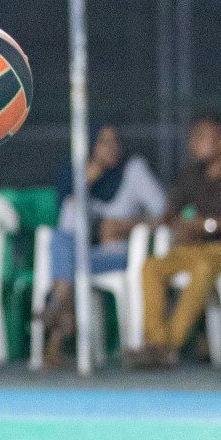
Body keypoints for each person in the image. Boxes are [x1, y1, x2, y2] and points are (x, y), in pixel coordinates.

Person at [129, 113, 221, 369]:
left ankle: (167, 346)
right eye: (193, 138)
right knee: (151, 267)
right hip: (200, 249)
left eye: (201, 137)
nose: (194, 143)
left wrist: (208, 225)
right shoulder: (193, 173)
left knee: (202, 267)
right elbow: (171, 210)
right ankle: (156, 342)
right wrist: (173, 224)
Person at [39, 124, 166, 366]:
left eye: (115, 142)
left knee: (65, 263)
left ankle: (56, 314)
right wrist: (85, 181)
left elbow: (164, 212)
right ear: (90, 146)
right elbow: (68, 226)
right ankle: (61, 309)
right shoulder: (78, 175)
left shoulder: (132, 170)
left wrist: (125, 226)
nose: (111, 148)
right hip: (84, 254)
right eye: (103, 142)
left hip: (117, 253)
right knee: (61, 242)